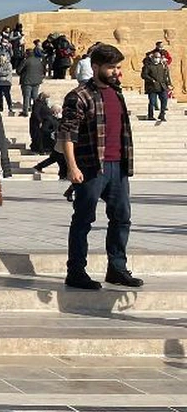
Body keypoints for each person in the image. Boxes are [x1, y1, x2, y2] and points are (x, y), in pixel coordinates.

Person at [59, 43, 140, 290]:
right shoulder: (79, 95)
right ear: (95, 67)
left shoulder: (117, 93)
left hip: (118, 166)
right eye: (111, 67)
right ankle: (76, 271)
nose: (117, 72)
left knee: (122, 218)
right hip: (91, 167)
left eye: (118, 67)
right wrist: (72, 168)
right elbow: (67, 135)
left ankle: (116, 268)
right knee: (83, 219)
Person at [141, 50, 171, 124]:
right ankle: (150, 115)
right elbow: (144, 75)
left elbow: (165, 76)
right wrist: (151, 80)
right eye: (155, 57)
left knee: (164, 100)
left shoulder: (162, 66)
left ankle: (162, 114)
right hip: (152, 87)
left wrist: (168, 84)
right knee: (152, 102)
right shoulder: (148, 66)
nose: (157, 59)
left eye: (158, 57)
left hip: (162, 86)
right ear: (152, 58)